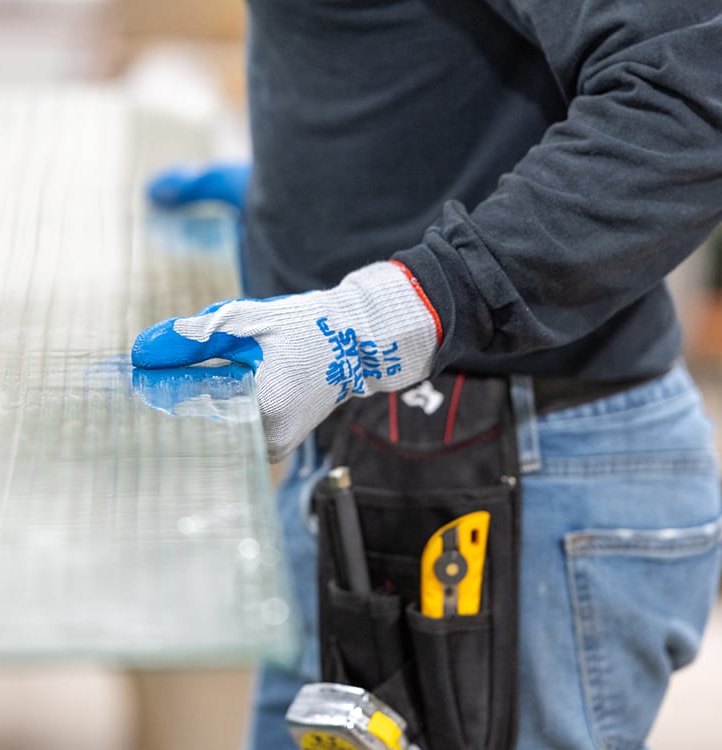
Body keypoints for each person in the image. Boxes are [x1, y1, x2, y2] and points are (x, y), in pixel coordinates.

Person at [132, 0, 722, 747]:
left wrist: (394, 315)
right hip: (367, 450)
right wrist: (317, 201)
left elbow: (695, 89)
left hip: (517, 466)